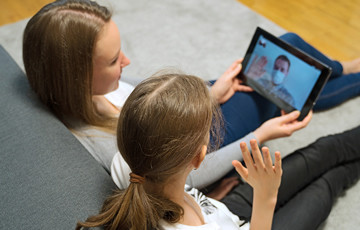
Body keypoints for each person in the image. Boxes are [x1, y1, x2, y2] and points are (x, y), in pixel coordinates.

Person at [23, 0, 360, 192]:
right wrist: (260, 136)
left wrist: (211, 94)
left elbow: (151, 92)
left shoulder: (95, 91)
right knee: (275, 84)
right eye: (113, 61)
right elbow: (182, 175)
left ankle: (343, 69)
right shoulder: (106, 145)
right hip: (204, 138)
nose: (126, 62)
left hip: (187, 110)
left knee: (280, 52)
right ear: (75, 76)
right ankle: (348, 72)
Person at [75, 72, 360, 230]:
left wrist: (206, 199)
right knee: (328, 183)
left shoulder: (129, 163)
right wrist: (266, 196)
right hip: (256, 217)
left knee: (325, 150)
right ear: (199, 157)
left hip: (225, 210)